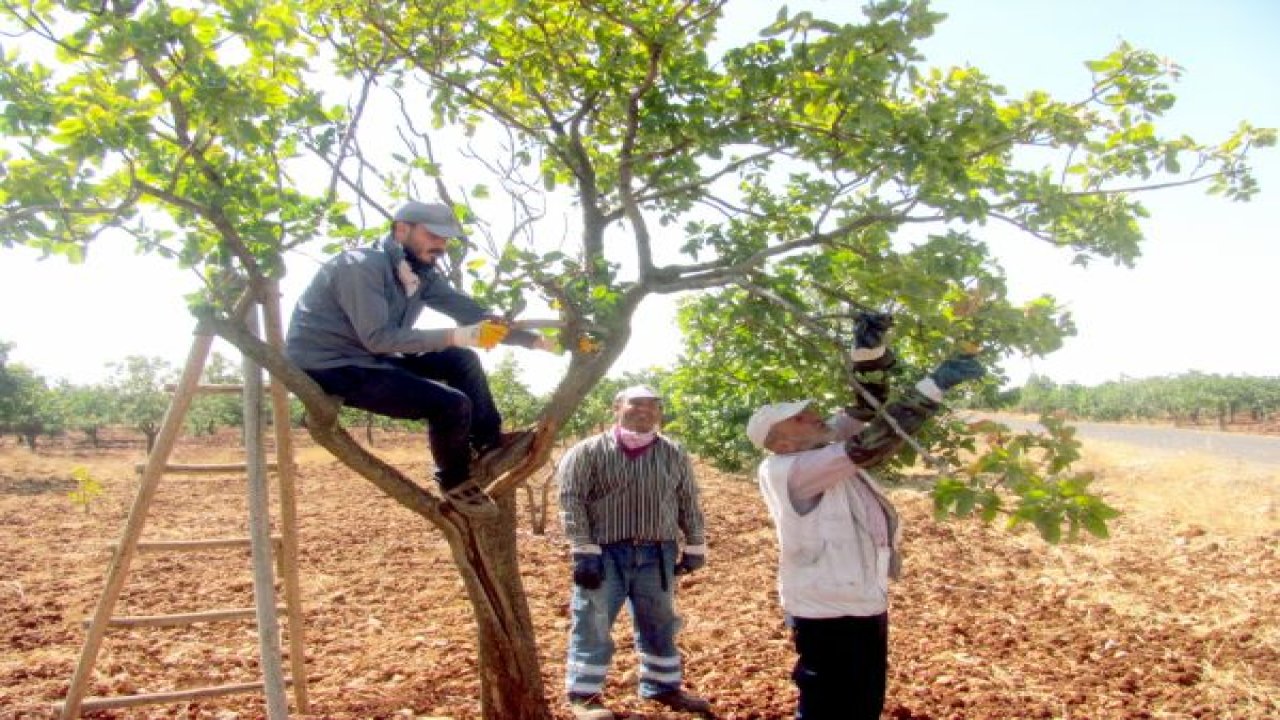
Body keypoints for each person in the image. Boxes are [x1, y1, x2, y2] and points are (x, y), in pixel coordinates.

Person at [746, 313, 984, 720]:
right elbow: (877, 440)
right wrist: (934, 385)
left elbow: (866, 408)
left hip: (857, 599)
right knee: (830, 706)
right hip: (828, 608)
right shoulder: (792, 468)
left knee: (862, 703)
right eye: (801, 417)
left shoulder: (816, 445)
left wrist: (867, 353)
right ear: (780, 440)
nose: (816, 416)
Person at [285, 200, 551, 518]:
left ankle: (488, 443)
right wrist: (455, 334)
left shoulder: (420, 272)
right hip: (332, 364)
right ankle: (454, 482)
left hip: (372, 357)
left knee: (460, 359)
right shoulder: (360, 266)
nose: (441, 245)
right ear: (401, 230)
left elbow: (472, 314)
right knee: (450, 404)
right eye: (433, 235)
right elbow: (378, 338)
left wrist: (539, 342)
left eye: (446, 239)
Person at [558, 385, 713, 720]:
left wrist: (696, 544)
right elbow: (572, 501)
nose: (646, 410)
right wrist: (583, 550)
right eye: (636, 403)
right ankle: (584, 695)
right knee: (594, 620)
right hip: (605, 553)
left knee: (659, 620)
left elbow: (687, 500)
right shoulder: (588, 451)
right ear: (617, 406)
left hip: (657, 553)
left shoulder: (673, 452)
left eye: (653, 405)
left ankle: (663, 687)